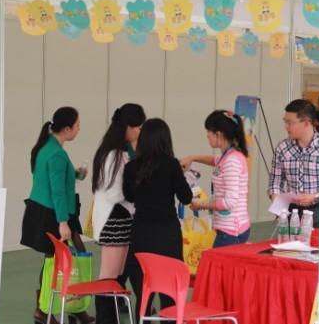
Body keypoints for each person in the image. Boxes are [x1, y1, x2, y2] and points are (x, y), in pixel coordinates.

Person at [20, 107, 94, 324]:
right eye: (77, 125)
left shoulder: (47, 147)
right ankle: (47, 309)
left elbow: (51, 178)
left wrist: (74, 174)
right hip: (54, 213)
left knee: (59, 260)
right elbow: (57, 191)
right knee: (65, 259)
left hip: (46, 210)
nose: (79, 129)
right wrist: (63, 223)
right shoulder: (57, 154)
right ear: (67, 129)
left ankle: (70, 306)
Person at [122, 118, 193, 322]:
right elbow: (186, 198)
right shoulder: (171, 165)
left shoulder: (131, 167)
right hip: (167, 234)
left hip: (141, 234)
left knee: (145, 290)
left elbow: (129, 196)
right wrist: (181, 176)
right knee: (169, 291)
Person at [91, 104, 145, 324]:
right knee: (108, 279)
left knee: (114, 279)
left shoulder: (116, 152)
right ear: (128, 127)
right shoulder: (113, 155)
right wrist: (134, 190)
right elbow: (113, 193)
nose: (140, 132)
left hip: (119, 220)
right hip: (114, 221)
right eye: (138, 128)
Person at [181, 110, 251, 247]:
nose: (207, 135)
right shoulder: (226, 157)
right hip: (227, 228)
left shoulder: (232, 161)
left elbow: (229, 203)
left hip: (231, 231)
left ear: (218, 134)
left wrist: (201, 205)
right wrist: (193, 158)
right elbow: (213, 160)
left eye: (209, 131)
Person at [268, 99, 319, 227]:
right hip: (291, 211)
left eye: (290, 123)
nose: (286, 127)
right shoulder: (282, 148)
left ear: (306, 123)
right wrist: (277, 203)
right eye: (285, 122)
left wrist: (315, 196)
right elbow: (275, 182)